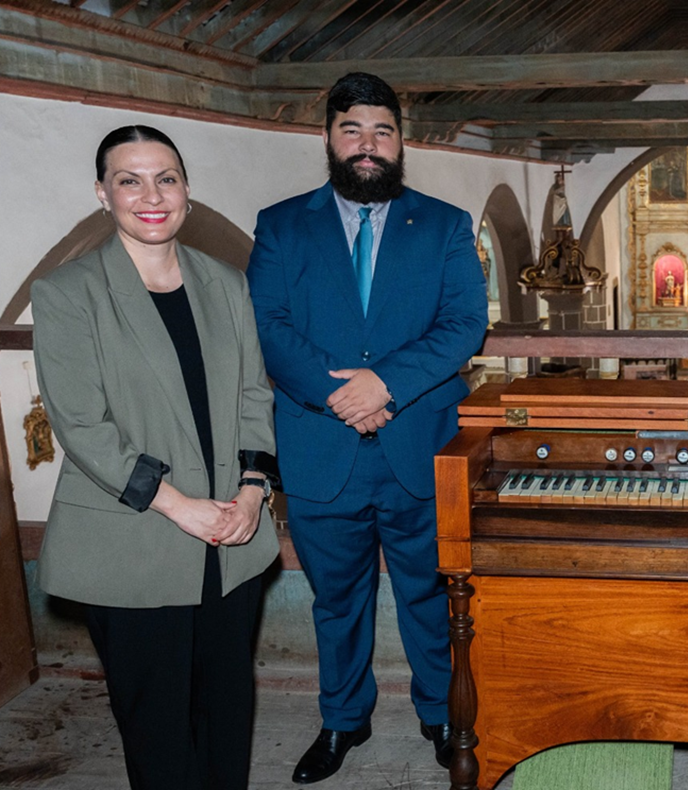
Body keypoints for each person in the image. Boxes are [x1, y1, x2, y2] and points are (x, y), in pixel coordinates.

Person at [246, 72, 488, 784]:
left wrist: (389, 384)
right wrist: (343, 396)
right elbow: (270, 328)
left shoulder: (443, 225)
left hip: (418, 443)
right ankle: (342, 720)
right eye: (353, 130)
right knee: (337, 600)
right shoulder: (282, 225)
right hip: (324, 450)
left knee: (428, 593)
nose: (368, 145)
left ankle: (443, 716)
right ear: (329, 137)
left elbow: (463, 325)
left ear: (401, 141)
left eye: (382, 131)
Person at [31, 125, 279, 790]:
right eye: (129, 179)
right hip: (135, 537)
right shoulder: (66, 293)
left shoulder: (227, 283)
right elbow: (83, 425)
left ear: (186, 190)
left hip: (232, 534)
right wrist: (178, 505)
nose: (151, 194)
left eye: (165, 177)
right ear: (102, 194)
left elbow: (254, 394)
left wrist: (253, 491)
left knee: (227, 712)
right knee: (158, 727)